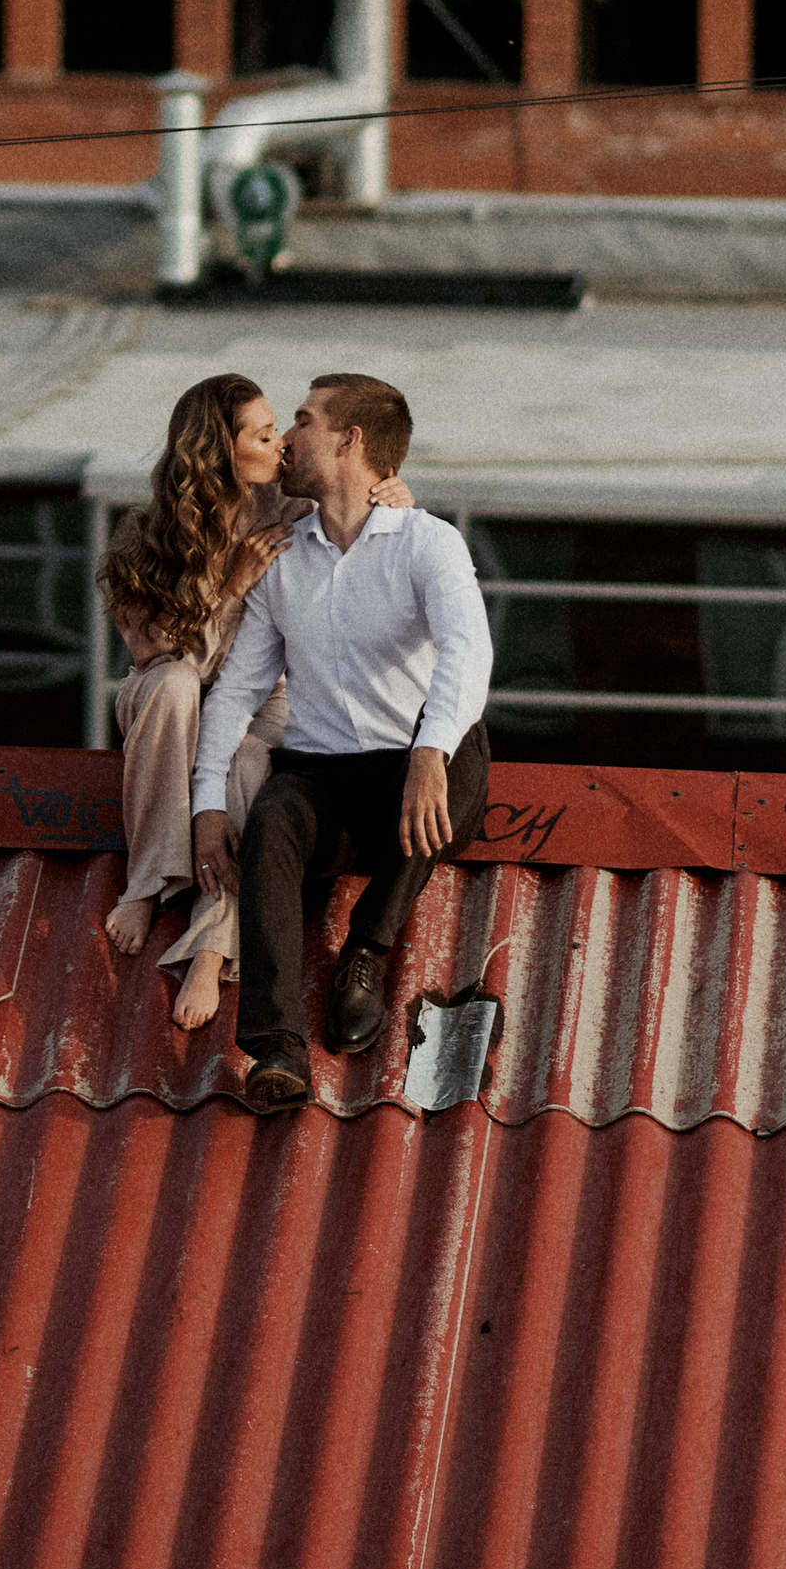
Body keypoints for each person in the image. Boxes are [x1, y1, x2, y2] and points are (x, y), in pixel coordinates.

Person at [191, 370, 492, 1116]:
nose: (287, 437)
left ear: (352, 440)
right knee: (270, 821)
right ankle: (275, 1050)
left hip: (410, 775)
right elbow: (236, 689)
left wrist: (427, 751)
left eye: (303, 420)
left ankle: (368, 948)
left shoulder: (429, 543)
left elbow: (468, 650)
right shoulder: (282, 556)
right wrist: (204, 804)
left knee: (461, 755)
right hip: (322, 776)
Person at [101, 375, 416, 1034]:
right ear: (220, 450)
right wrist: (229, 589)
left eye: (282, 429)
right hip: (171, 702)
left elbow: (361, 531)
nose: (282, 444)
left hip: (260, 700)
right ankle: (148, 881)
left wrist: (392, 498)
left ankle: (212, 943)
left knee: (249, 756)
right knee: (178, 690)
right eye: (264, 434)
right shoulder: (143, 540)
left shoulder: (288, 508)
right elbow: (167, 658)